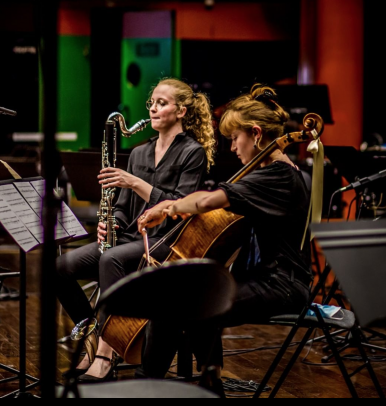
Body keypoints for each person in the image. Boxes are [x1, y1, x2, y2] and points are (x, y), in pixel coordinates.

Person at [135, 84, 313, 396]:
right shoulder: (285, 172)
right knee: (194, 300)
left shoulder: (277, 175)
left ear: (256, 133)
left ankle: (146, 385)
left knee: (178, 304)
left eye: (234, 138)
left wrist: (167, 208)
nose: (233, 148)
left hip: (280, 285)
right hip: (270, 279)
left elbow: (205, 202)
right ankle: (206, 385)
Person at [55, 77, 216, 383]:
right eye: (151, 103)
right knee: (61, 267)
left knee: (110, 259)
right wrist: (111, 221)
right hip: (131, 236)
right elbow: (123, 206)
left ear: (181, 111)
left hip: (166, 240)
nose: (153, 109)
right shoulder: (141, 152)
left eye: (161, 103)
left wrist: (134, 182)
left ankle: (105, 355)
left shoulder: (191, 152)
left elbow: (178, 209)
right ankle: (94, 338)